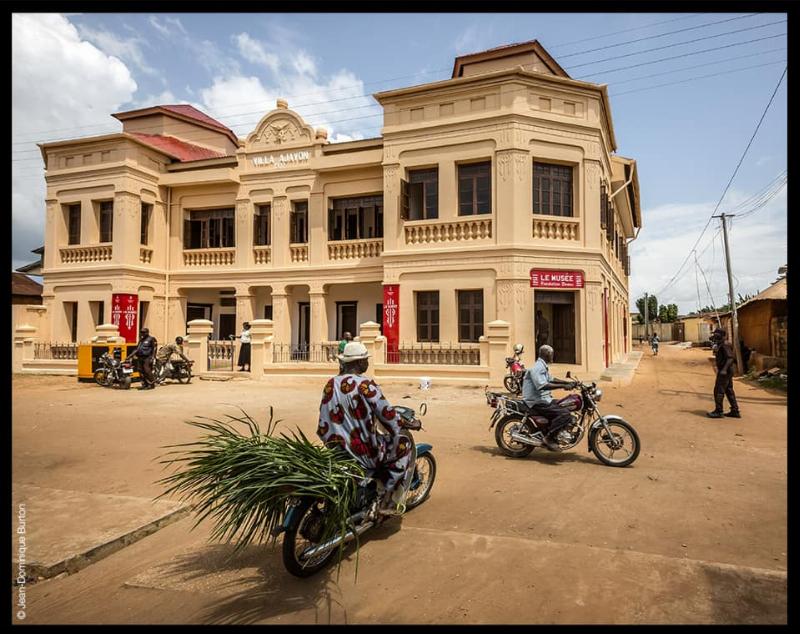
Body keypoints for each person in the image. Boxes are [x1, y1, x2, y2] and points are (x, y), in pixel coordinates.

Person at [317, 341, 415, 517]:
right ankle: (388, 499)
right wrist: (406, 423)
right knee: (404, 444)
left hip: (336, 448)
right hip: (362, 452)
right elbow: (388, 415)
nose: (367, 363)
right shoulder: (365, 385)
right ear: (358, 362)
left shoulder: (331, 384)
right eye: (365, 360)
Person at [521, 344, 578, 450]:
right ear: (547, 354)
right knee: (565, 414)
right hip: (537, 401)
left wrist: (567, 382)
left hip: (545, 399)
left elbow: (551, 379)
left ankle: (555, 431)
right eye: (552, 354)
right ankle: (549, 438)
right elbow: (543, 385)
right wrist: (563, 386)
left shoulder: (542, 366)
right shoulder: (538, 367)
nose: (552, 356)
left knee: (565, 404)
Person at [707, 328, 741, 418]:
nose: (714, 336)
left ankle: (719, 411)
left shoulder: (725, 344)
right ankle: (735, 410)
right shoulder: (721, 344)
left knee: (718, 390)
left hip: (725, 371)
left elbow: (730, 358)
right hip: (726, 371)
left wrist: (724, 369)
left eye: (716, 334)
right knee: (729, 390)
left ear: (721, 335)